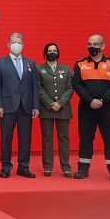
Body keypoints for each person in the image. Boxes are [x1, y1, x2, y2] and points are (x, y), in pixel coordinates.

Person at [72, 34, 110, 182]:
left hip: (107, 108)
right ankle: (83, 169)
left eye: (95, 44)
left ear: (103, 46)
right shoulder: (80, 64)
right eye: (89, 44)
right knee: (85, 139)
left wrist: (101, 100)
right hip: (86, 108)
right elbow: (77, 84)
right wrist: (90, 100)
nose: (92, 47)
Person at [0, 33, 40, 179]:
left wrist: (36, 106)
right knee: (6, 138)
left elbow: (34, 87)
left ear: (23, 45)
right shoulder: (0, 63)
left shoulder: (30, 63)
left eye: (19, 43)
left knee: (25, 138)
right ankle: (6, 166)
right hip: (7, 106)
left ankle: (23, 166)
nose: (16, 45)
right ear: (8, 44)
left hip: (26, 106)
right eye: (14, 42)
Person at [36, 43, 73, 177]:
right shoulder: (39, 69)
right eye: (49, 50)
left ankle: (66, 166)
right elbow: (38, 88)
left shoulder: (66, 69)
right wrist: (51, 103)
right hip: (47, 109)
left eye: (54, 50)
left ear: (58, 53)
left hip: (63, 109)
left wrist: (60, 103)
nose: (52, 52)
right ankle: (47, 166)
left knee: (64, 138)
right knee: (47, 139)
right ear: (45, 53)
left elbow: (70, 88)